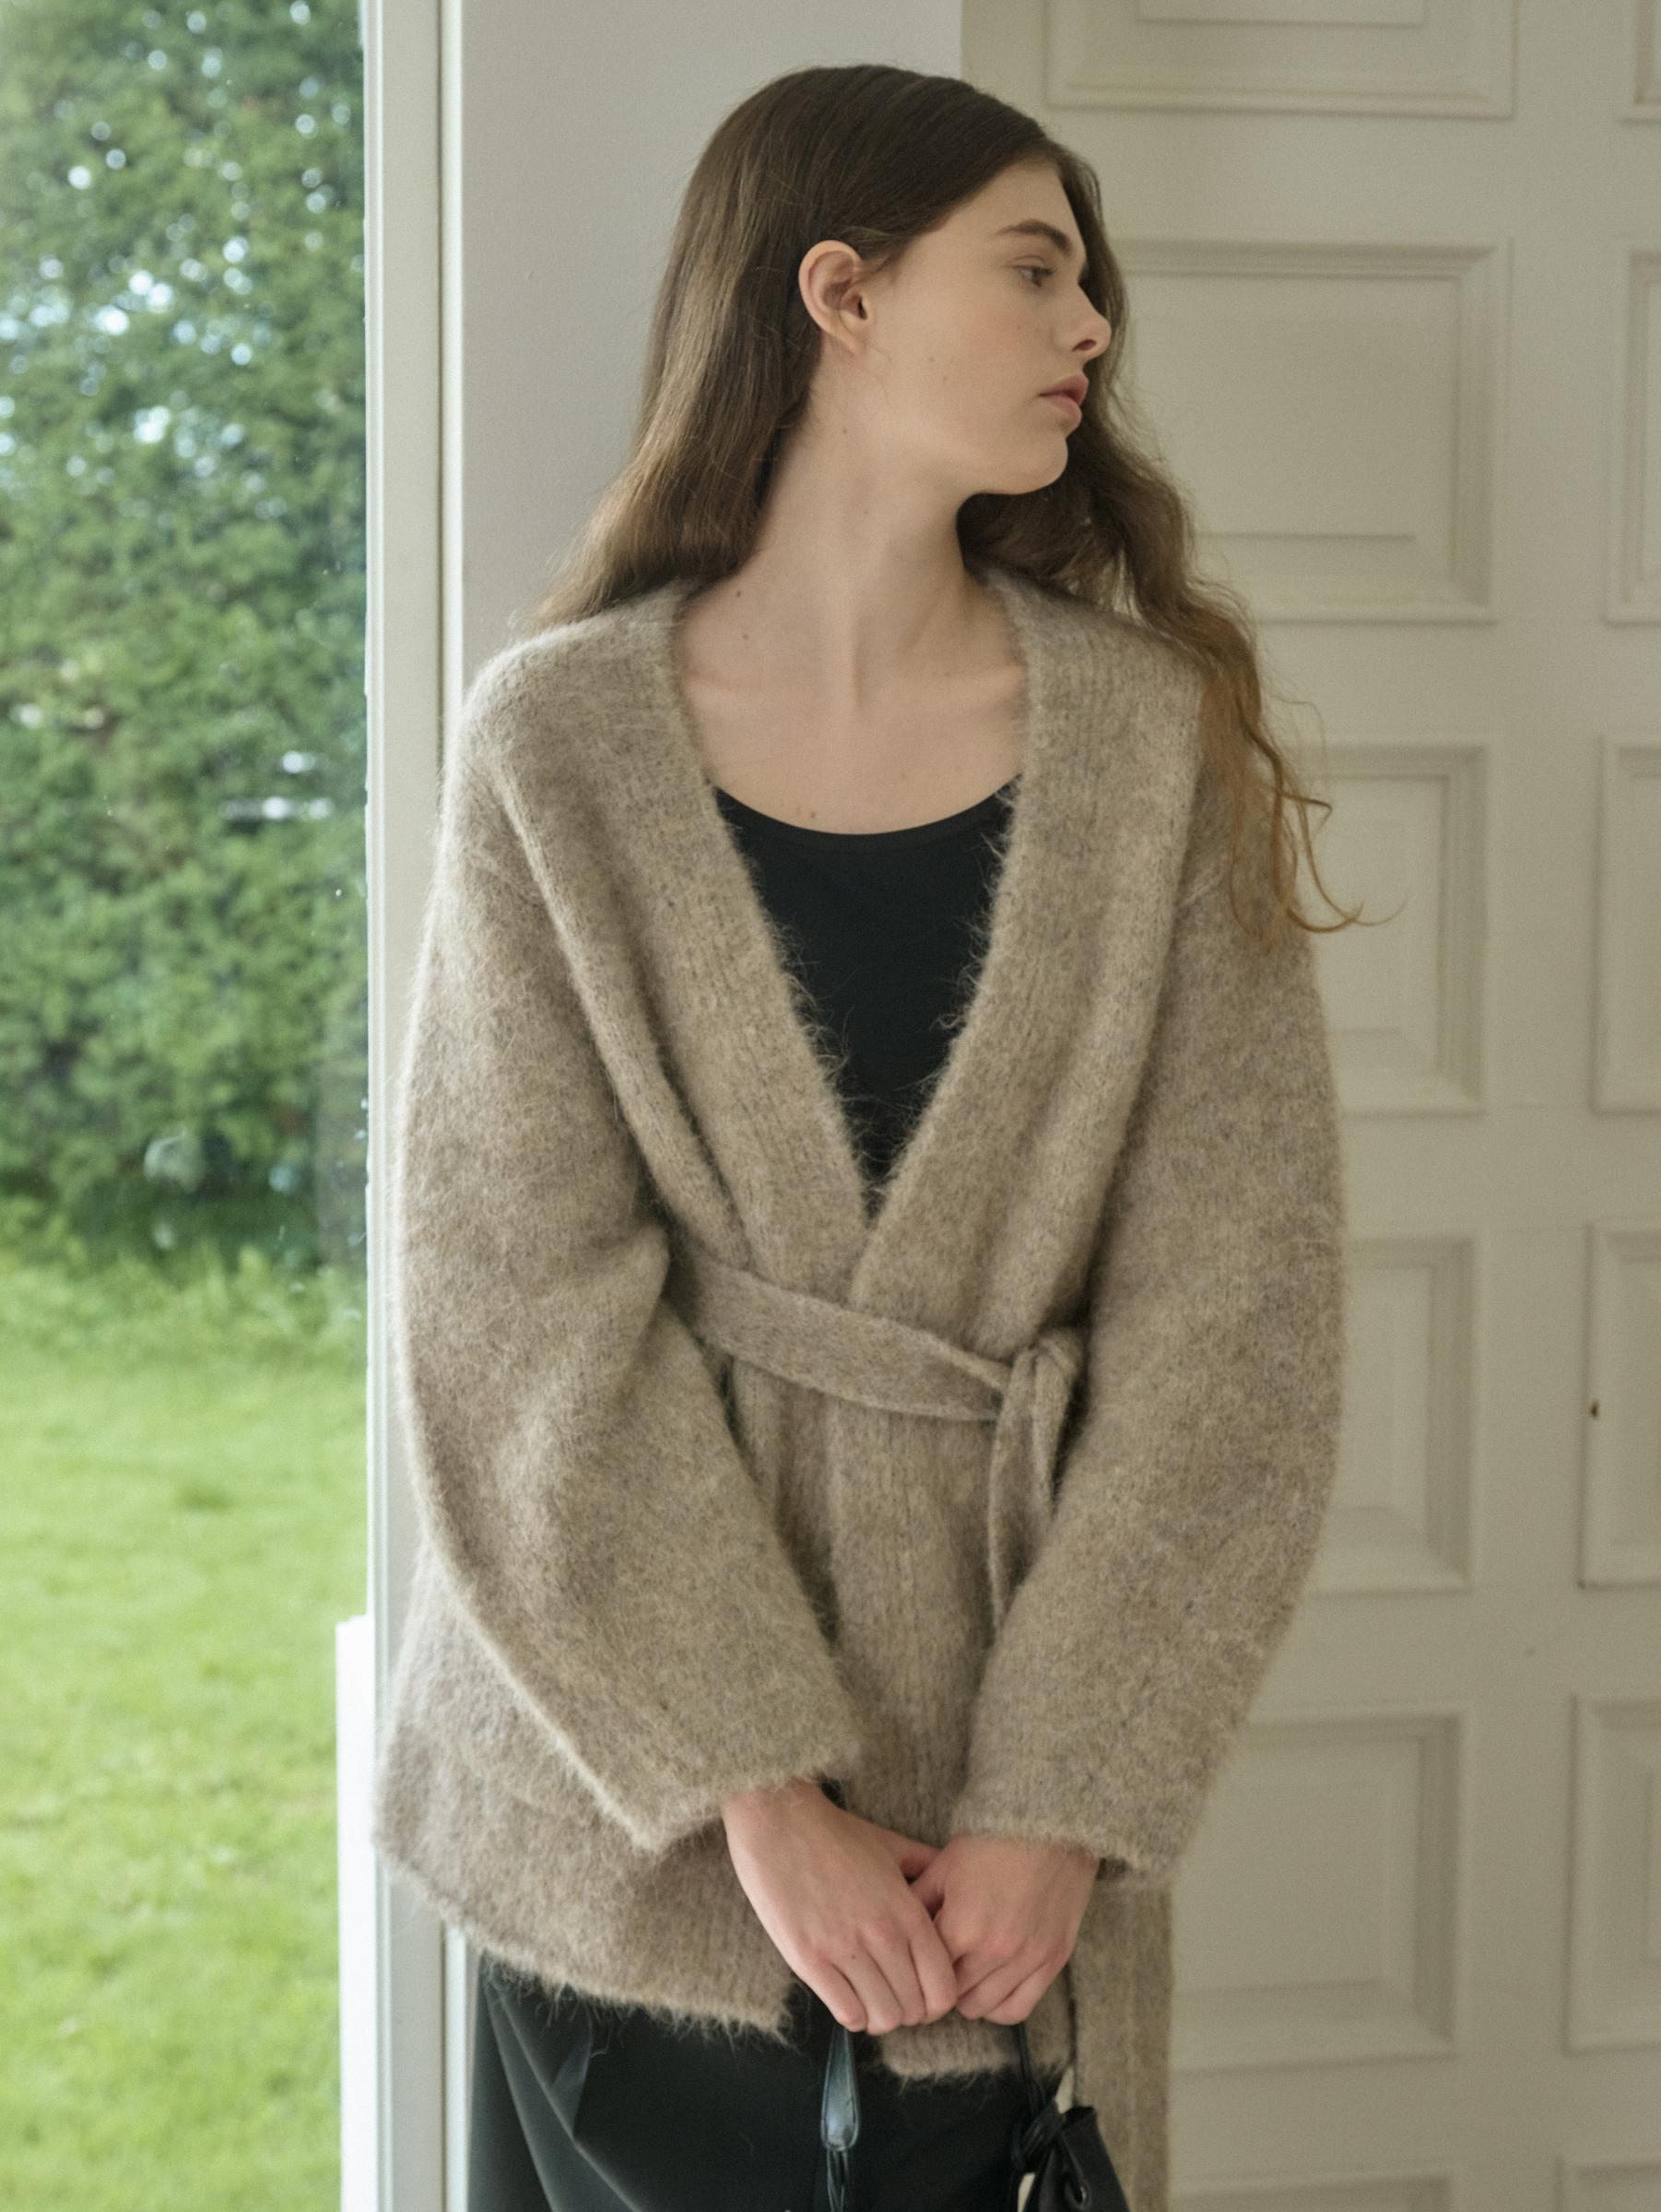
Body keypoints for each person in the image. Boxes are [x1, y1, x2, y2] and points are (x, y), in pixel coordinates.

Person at [372, 61, 1361, 2212]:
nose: (1092, 326)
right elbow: (514, 1302)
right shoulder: (558, 747)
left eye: (1091, 283)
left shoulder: (1151, 750)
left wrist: (1063, 1795)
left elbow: (1237, 1320)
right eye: (1036, 269)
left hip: (1004, 1869)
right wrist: (752, 1784)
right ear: (840, 292)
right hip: (618, 1841)